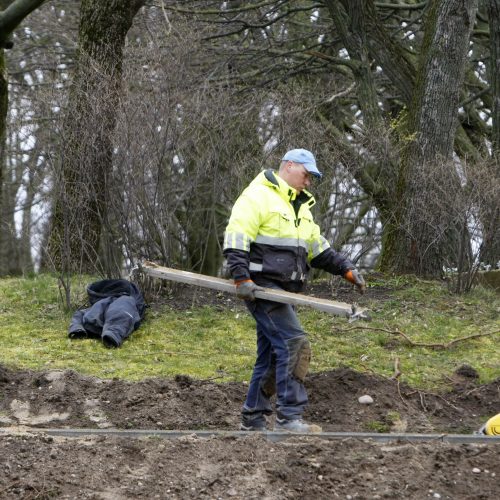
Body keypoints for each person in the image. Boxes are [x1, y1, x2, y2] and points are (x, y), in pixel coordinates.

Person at [223, 148, 366, 433]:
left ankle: (253, 418)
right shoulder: (257, 196)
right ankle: (289, 418)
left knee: (272, 354)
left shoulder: (299, 208)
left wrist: (345, 269)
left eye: (312, 177)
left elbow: (317, 248)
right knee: (295, 344)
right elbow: (237, 236)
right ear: (289, 166)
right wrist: (241, 278)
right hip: (261, 286)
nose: (309, 182)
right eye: (306, 174)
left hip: (285, 290)